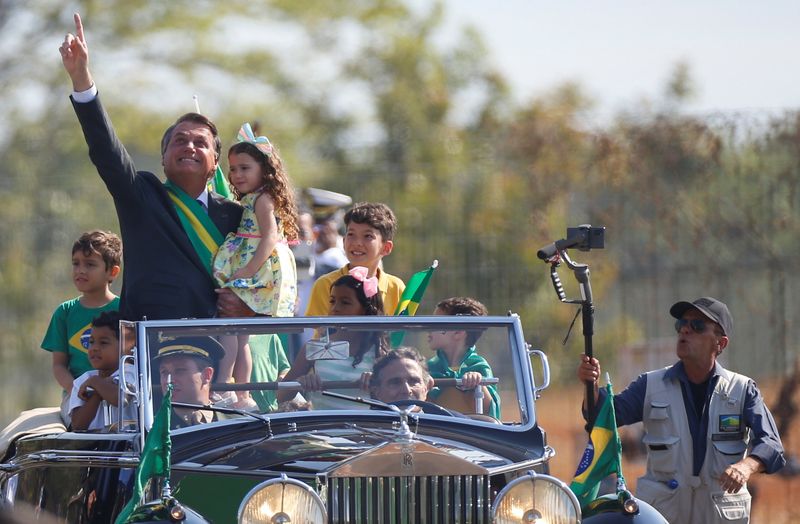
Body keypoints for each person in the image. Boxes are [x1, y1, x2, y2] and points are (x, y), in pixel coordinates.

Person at [59, 14, 252, 322]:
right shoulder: (144, 196)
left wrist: (250, 311)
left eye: (200, 143)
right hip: (152, 348)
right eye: (180, 140)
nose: (189, 147)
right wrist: (82, 80)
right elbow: (106, 151)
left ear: (215, 162)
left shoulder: (237, 216)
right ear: (163, 158)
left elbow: (267, 279)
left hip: (218, 350)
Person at [577, 297, 785, 523]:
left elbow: (772, 445)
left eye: (697, 326)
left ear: (720, 343)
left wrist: (746, 466)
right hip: (665, 515)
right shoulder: (650, 385)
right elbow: (604, 417)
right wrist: (592, 386)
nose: (685, 329)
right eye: (681, 324)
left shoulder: (742, 390)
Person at [211, 123, 299, 408]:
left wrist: (247, 271)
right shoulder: (255, 199)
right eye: (233, 169)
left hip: (259, 266)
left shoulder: (263, 200)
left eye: (244, 168)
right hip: (255, 261)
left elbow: (270, 236)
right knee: (241, 335)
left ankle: (224, 385)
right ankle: (243, 395)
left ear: (264, 169)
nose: (237, 175)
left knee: (230, 327)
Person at [41, 230, 122, 424]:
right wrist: (77, 389)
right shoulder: (65, 312)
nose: (80, 270)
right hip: (79, 396)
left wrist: (107, 387)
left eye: (90, 264)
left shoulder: (124, 310)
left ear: (112, 271)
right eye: (76, 264)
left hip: (118, 392)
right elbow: (59, 365)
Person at [278, 267, 388, 409]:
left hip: (364, 430)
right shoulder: (314, 348)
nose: (335, 308)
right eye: (332, 301)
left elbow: (388, 401)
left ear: (366, 310)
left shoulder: (379, 353)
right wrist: (301, 383)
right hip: (320, 430)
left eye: (345, 302)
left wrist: (375, 384)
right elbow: (281, 397)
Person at [304, 202, 405, 316]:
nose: (357, 243)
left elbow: (402, 331)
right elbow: (320, 331)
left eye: (368, 236)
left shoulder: (396, 288)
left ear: (386, 248)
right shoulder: (325, 284)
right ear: (343, 241)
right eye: (351, 234)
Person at [426, 297, 500, 418]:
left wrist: (478, 383)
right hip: (436, 433)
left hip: (467, 434)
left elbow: (490, 411)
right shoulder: (428, 368)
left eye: (436, 322)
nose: (429, 327)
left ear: (458, 332)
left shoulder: (478, 366)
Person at [69, 311, 136, 431]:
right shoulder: (83, 380)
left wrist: (96, 383)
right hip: (96, 448)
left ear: (127, 347)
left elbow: (120, 399)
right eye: (91, 342)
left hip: (127, 447)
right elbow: (78, 426)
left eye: (103, 343)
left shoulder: (130, 372)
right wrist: (97, 393)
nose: (94, 348)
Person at [153, 336, 227, 429]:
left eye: (179, 370)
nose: (170, 380)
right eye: (164, 372)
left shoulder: (236, 425)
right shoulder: (152, 431)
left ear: (207, 375)